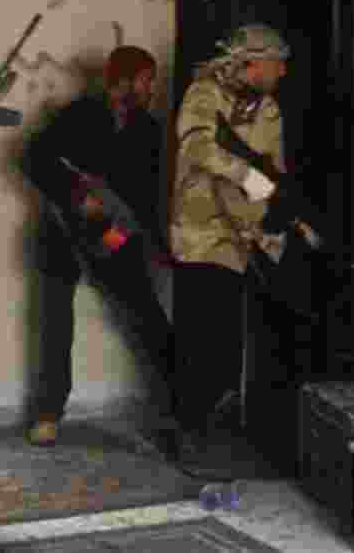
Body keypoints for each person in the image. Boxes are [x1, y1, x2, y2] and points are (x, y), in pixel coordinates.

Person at [20, 45, 174, 448]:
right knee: (55, 325)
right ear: (123, 81)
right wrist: (77, 196)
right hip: (62, 234)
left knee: (148, 318)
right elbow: (34, 159)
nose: (150, 88)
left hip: (114, 234)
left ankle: (180, 409)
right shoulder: (79, 114)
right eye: (145, 80)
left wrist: (147, 242)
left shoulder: (149, 130)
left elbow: (147, 197)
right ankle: (48, 413)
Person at [169, 23, 292, 459]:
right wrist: (246, 175)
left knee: (227, 342)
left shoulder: (268, 108)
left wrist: (273, 217)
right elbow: (197, 148)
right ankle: (187, 431)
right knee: (197, 339)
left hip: (243, 236)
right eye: (276, 63)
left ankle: (213, 424)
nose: (282, 72)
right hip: (201, 233)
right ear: (251, 63)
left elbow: (272, 170)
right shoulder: (204, 95)